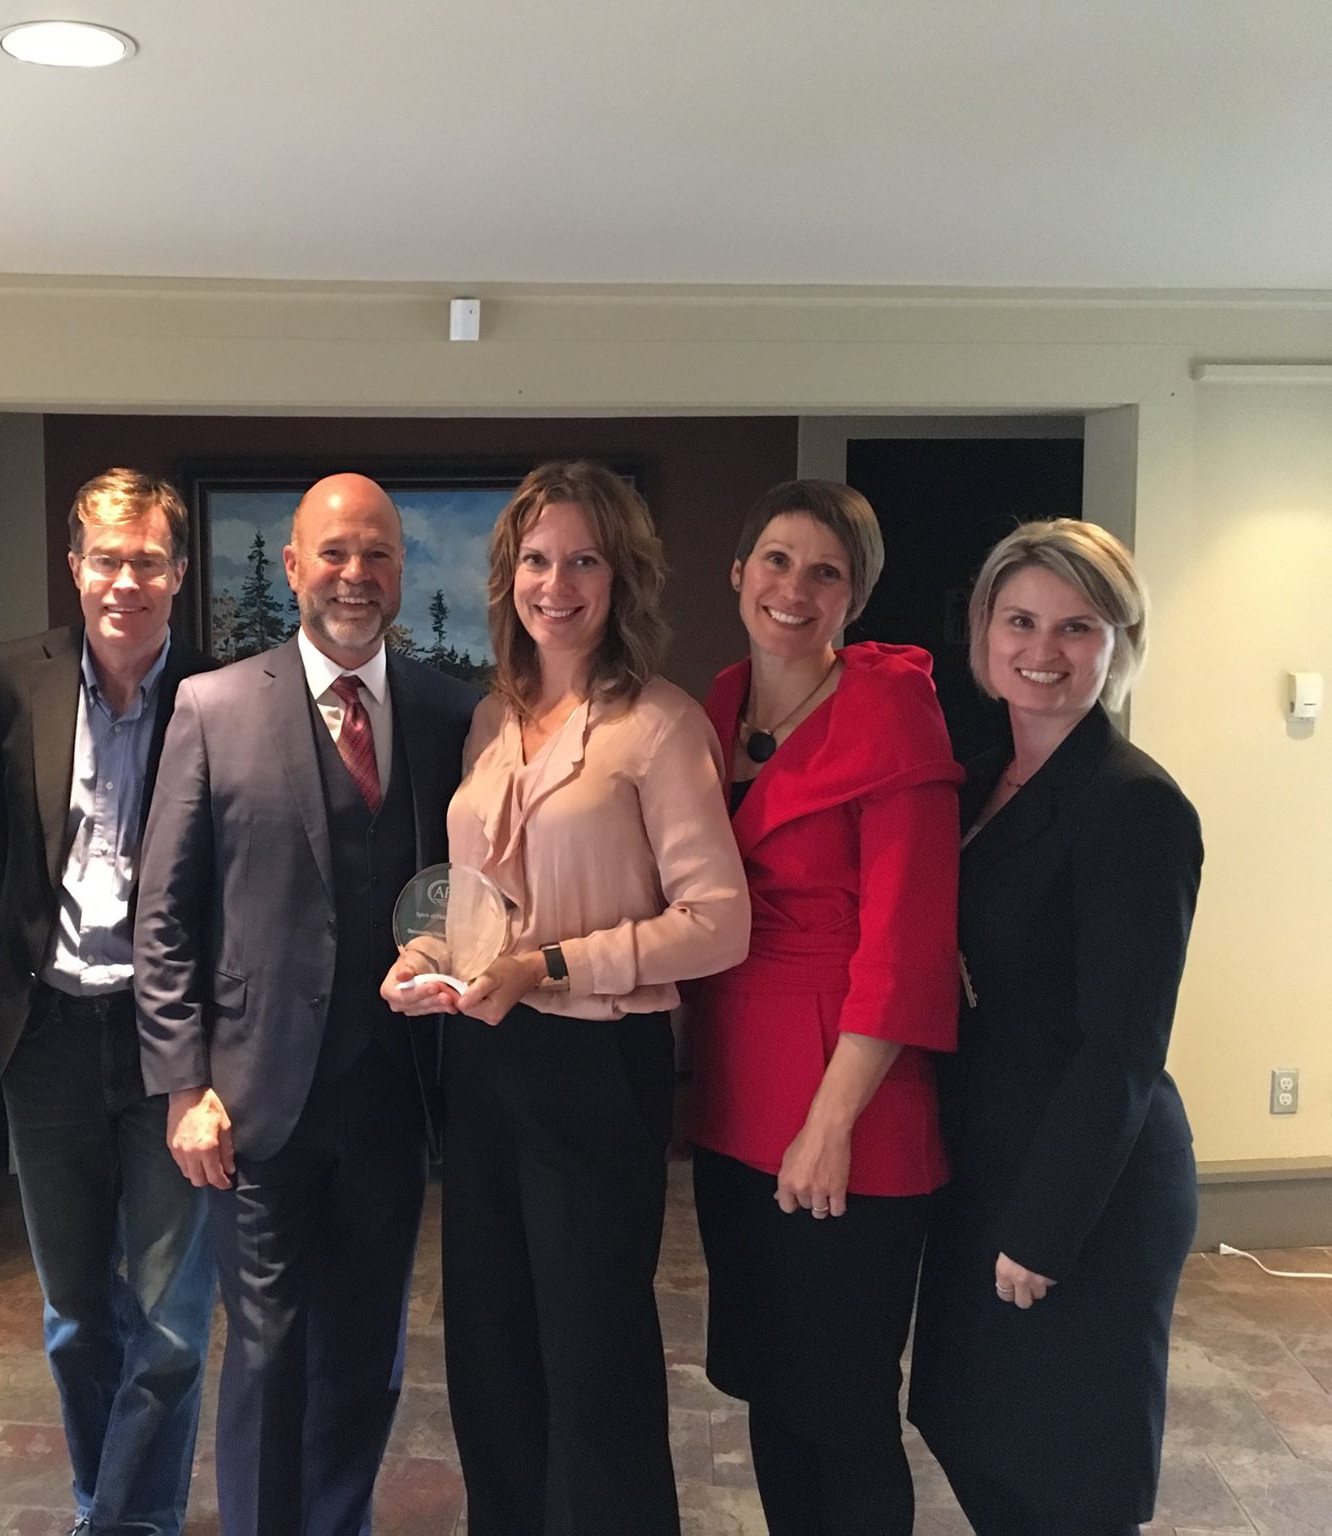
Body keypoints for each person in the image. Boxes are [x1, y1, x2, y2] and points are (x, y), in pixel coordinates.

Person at [385, 460, 749, 1535]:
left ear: (620, 577)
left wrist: (548, 967)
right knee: (489, 1349)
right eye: (536, 560)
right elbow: (479, 900)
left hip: (597, 1067)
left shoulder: (661, 725)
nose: (557, 583)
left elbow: (717, 923)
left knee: (590, 1356)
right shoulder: (492, 717)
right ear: (509, 579)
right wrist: (427, 952)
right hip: (485, 1061)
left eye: (582, 559)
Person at [135, 472, 478, 1535]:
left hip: (393, 1099)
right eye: (331, 553)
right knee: (269, 1350)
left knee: (365, 1349)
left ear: (399, 569)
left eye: (375, 554)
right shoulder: (212, 706)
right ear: (291, 568)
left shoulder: (447, 709)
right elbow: (163, 916)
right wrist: (182, 1084)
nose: (354, 575)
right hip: (252, 1102)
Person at [909, 519, 1202, 1536]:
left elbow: (1123, 1045)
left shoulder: (1133, 806)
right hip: (988, 1154)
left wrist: (1042, 1231)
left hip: (1083, 1189)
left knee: (1065, 1478)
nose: (1042, 650)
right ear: (982, 631)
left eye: (1076, 626)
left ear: (1119, 642)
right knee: (977, 1436)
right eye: (1020, 619)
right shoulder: (979, 772)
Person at [684, 480, 962, 1535]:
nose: (793, 589)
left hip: (850, 1103)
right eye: (775, 561)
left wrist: (830, 1123)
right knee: (768, 1385)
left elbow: (904, 943)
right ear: (738, 573)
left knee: (840, 1406)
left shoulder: (891, 708)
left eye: (824, 572)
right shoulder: (716, 703)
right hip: (733, 1097)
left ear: (855, 597)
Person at [0, 469, 219, 1536]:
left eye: (148, 560)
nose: (127, 581)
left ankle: (130, 1522)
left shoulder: (220, 693)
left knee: (167, 1321)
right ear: (74, 568)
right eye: (106, 560)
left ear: (178, 570)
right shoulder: (0, 679)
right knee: (75, 1313)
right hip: (49, 1038)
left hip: (168, 1044)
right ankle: (97, 1500)